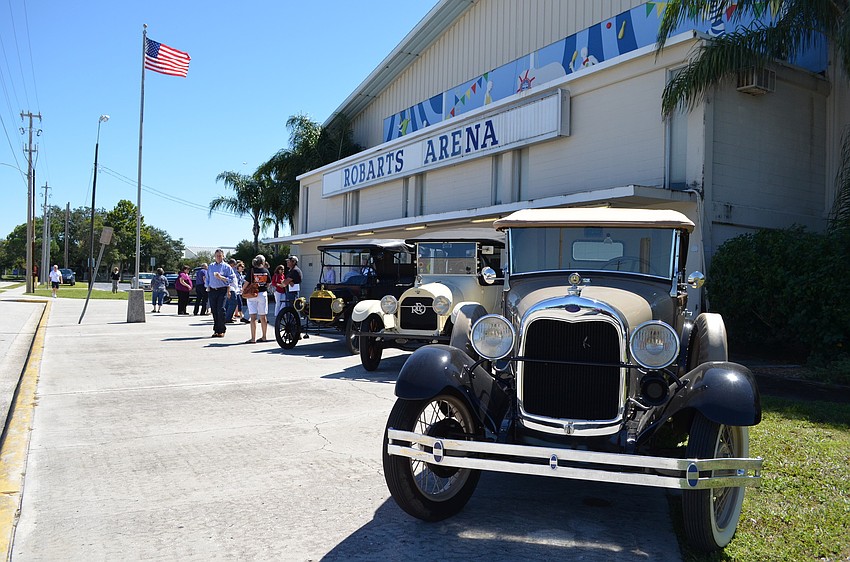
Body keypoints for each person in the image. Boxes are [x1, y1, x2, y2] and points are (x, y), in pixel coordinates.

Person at [206, 249, 235, 338]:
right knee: (214, 310)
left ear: (223, 256)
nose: (218, 257)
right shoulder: (211, 266)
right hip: (212, 290)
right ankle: (216, 330)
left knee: (221, 310)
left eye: (220, 256)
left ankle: (222, 330)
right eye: (217, 256)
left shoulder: (227, 267)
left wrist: (221, 277)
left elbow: (231, 279)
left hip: (222, 290)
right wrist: (207, 286)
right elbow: (207, 277)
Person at [243, 254, 271, 343]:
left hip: (252, 294)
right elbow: (268, 283)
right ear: (262, 262)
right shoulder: (266, 271)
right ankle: (264, 336)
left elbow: (247, 282)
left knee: (253, 317)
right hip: (262, 294)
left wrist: (243, 290)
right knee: (263, 317)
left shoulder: (251, 271)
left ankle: (253, 338)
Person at [224, 258, 242, 323]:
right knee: (233, 303)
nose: (235, 265)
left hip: (233, 288)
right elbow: (228, 280)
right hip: (231, 288)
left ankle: (228, 317)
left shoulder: (230, 269)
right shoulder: (228, 269)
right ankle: (228, 318)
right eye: (234, 264)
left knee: (229, 304)